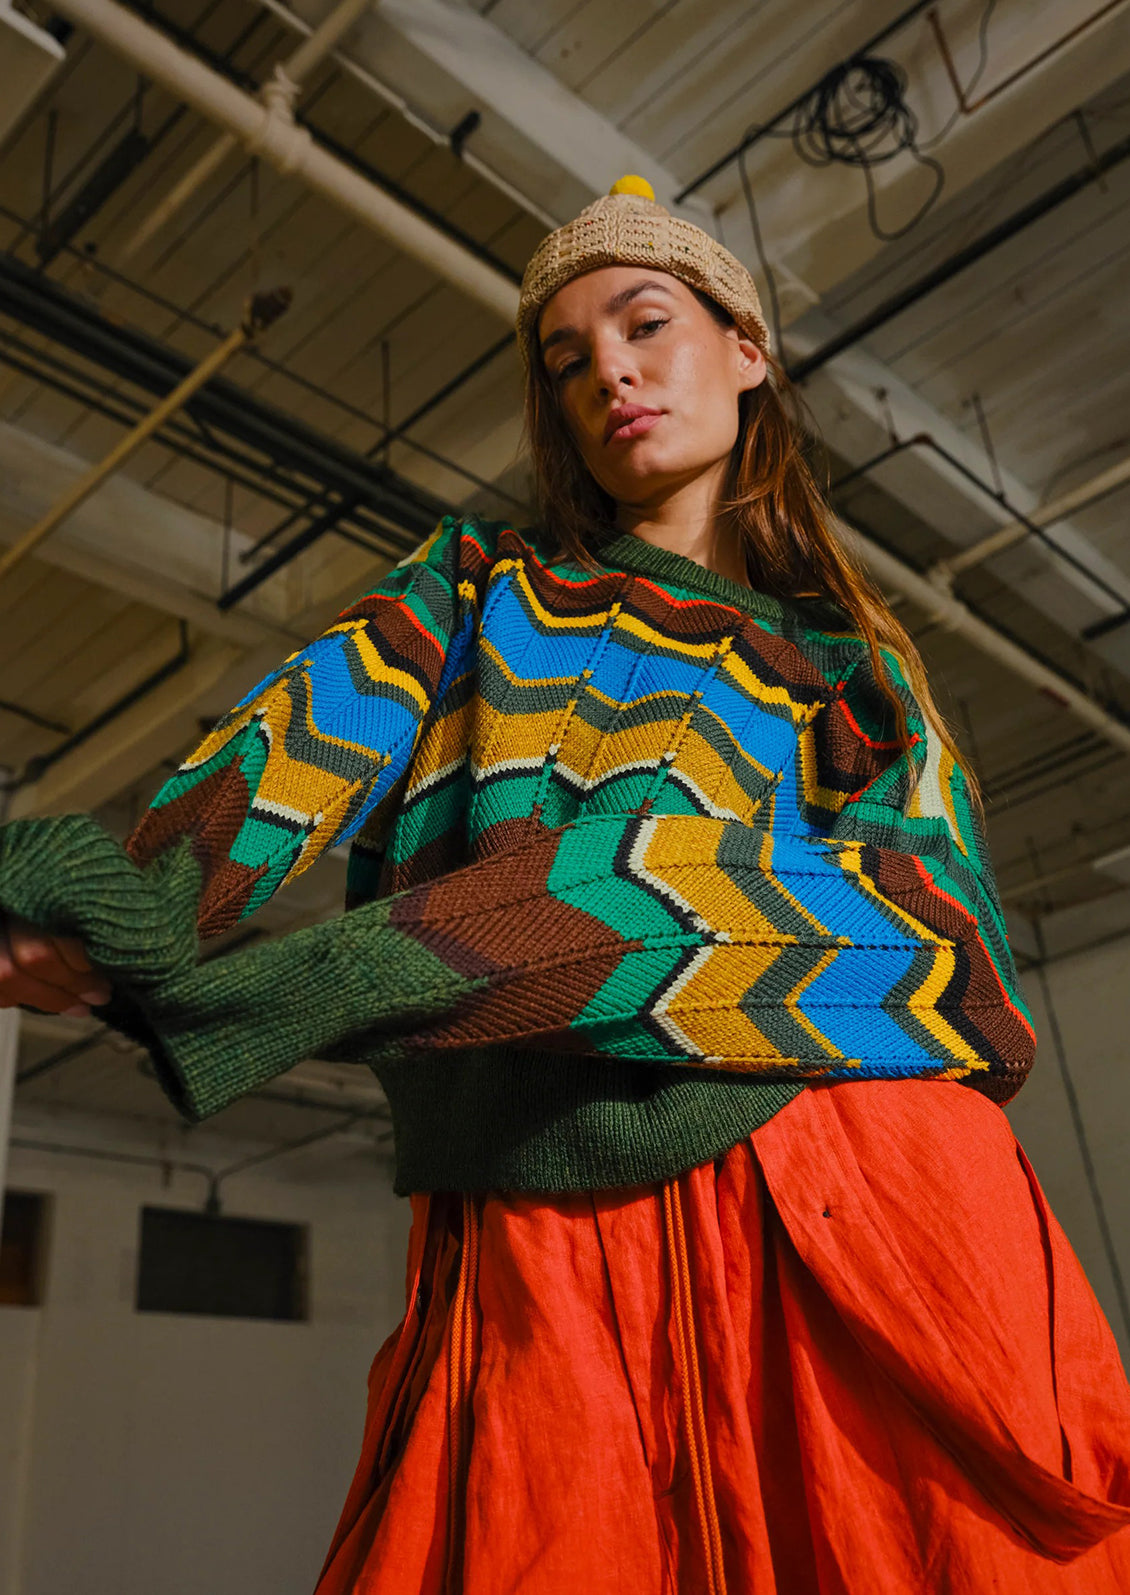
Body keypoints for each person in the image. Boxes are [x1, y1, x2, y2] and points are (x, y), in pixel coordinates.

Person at [1, 176, 1128, 1594]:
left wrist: (389, 965)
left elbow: (947, 947)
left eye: (646, 323)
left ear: (746, 350)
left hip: (835, 1193)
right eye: (567, 356)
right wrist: (115, 911)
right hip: (532, 1210)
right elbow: (299, 736)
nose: (609, 369)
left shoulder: (850, 658)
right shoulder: (482, 588)